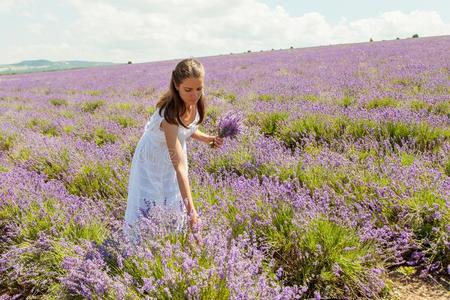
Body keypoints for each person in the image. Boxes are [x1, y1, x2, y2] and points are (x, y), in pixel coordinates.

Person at [123, 58, 223, 246]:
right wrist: (192, 211)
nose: (194, 95)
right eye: (188, 90)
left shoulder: (196, 103)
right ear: (177, 85)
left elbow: (188, 129)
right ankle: (141, 246)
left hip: (173, 149)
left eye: (199, 89)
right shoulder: (170, 114)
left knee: (170, 198)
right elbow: (180, 168)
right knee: (150, 201)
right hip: (151, 159)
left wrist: (208, 138)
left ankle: (169, 242)